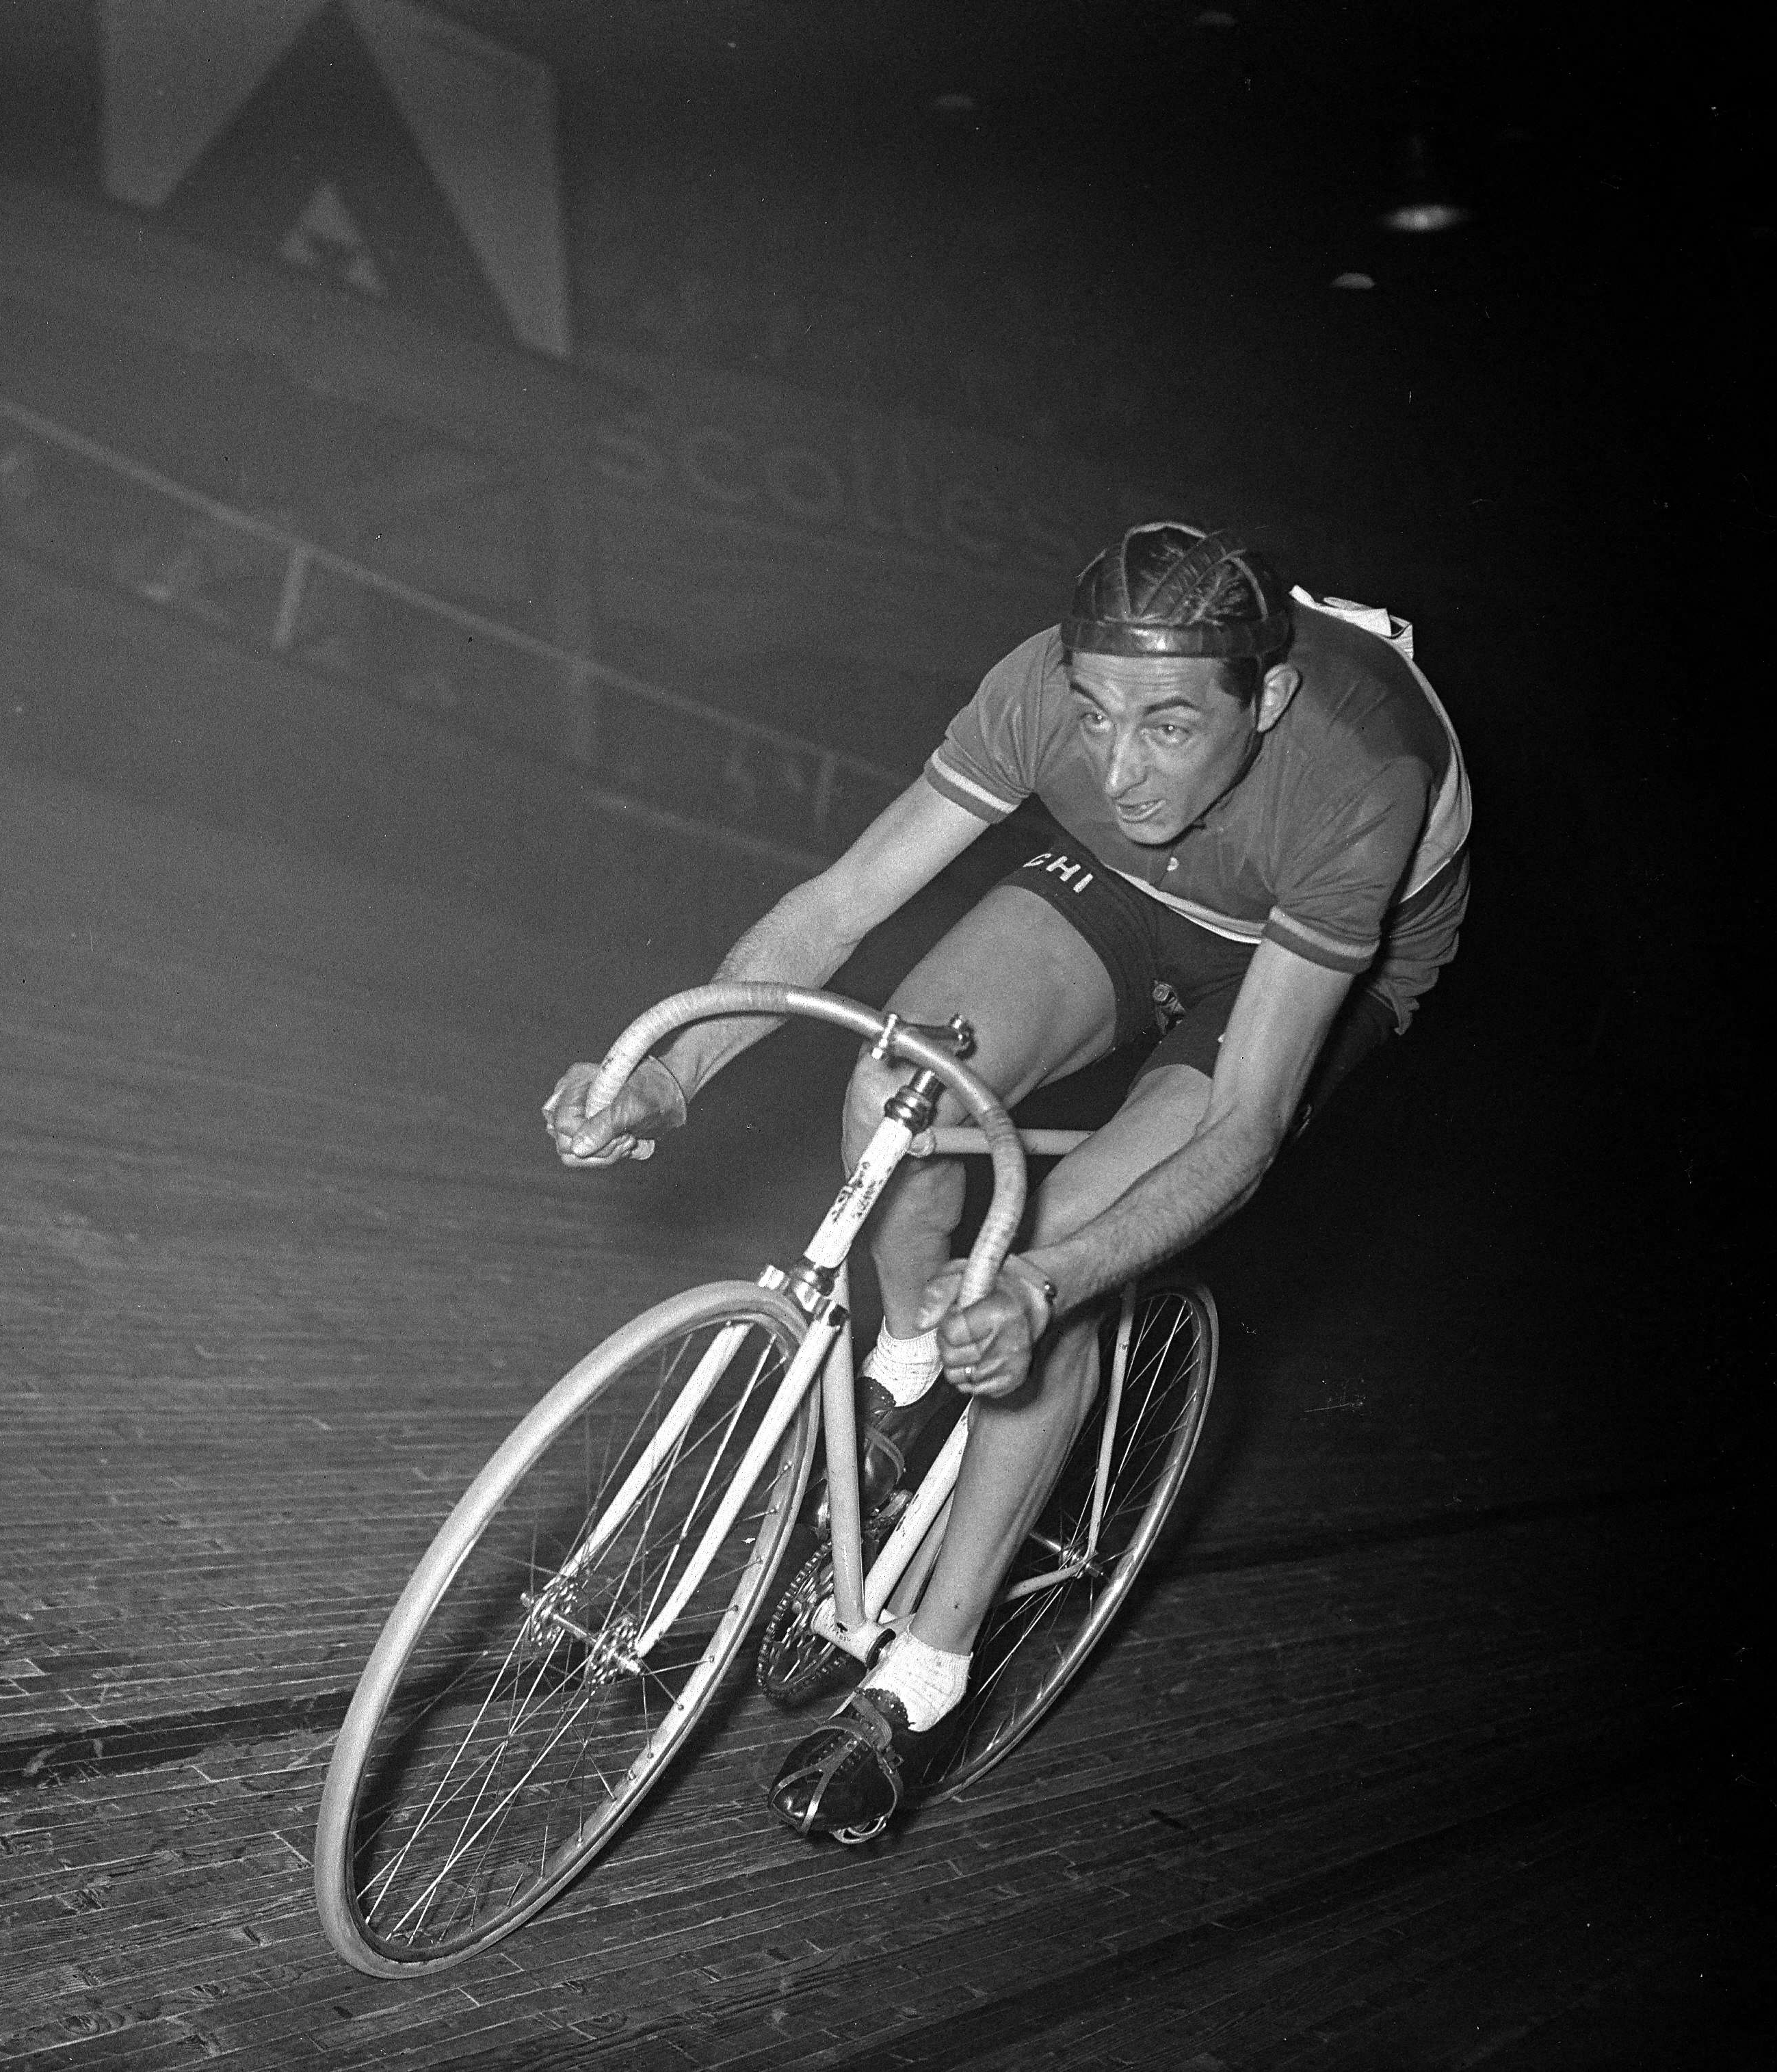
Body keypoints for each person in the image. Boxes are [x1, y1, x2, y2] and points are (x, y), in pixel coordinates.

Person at [541, 523, 1471, 1844]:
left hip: (1310, 942)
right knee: (898, 1074)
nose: (1117, 763)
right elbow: (842, 901)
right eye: (1094, 718)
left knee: (1069, 1231)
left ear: (1262, 701)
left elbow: (1247, 1124)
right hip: (1130, 891)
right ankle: (911, 1358)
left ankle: (923, 1674)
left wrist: (1041, 1286)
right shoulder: (1048, 689)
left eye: (1165, 727)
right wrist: (672, 1075)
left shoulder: (1355, 776)